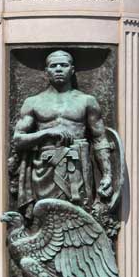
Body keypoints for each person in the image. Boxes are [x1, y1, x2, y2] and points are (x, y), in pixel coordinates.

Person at [13, 50, 113, 216]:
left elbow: (100, 139)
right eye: (53, 66)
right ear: (46, 71)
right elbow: (17, 140)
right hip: (45, 168)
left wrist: (107, 174)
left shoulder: (87, 101)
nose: (58, 69)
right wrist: (47, 133)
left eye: (63, 65)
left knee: (78, 215)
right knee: (45, 216)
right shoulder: (33, 102)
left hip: (77, 165)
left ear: (72, 70)